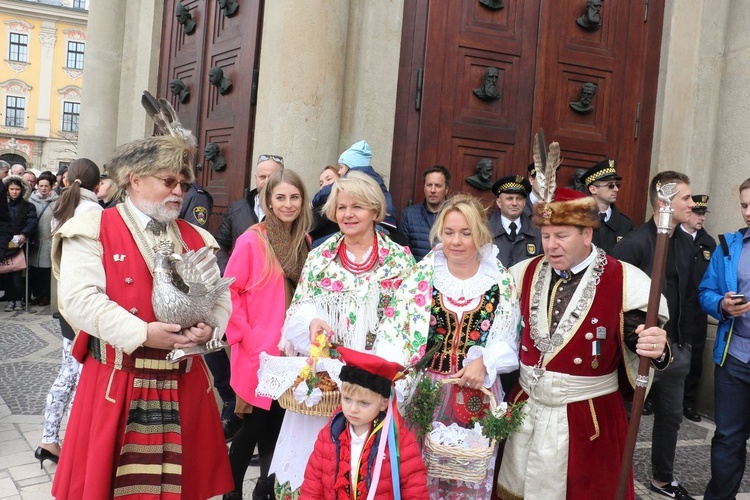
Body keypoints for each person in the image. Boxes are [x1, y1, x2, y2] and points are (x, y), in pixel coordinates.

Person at [49, 125, 233, 499]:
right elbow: (79, 299)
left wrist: (210, 331)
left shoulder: (197, 237)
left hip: (184, 383)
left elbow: (221, 301)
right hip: (118, 382)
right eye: (168, 181)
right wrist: (143, 333)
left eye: (183, 182)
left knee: (185, 489)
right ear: (135, 180)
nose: (179, 191)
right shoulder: (92, 228)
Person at [497, 186, 670, 500]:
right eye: (546, 236)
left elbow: (643, 342)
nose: (550, 246)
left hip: (588, 419)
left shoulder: (624, 281)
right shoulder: (522, 273)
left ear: (587, 233)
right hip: (526, 408)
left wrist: (656, 347)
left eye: (561, 236)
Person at [269, 172, 417, 499]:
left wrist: (371, 371)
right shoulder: (320, 259)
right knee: (315, 474)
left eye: (358, 207)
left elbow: (408, 321)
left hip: (372, 386)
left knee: (365, 475)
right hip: (325, 389)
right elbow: (297, 310)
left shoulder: (399, 260)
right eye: (341, 207)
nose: (347, 214)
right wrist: (311, 323)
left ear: (376, 211)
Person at [388, 193, 519, 498]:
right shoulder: (421, 277)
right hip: (426, 392)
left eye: (466, 232)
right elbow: (398, 332)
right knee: (420, 475)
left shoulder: (500, 280)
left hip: (477, 393)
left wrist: (484, 362)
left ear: (481, 235)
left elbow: (508, 339)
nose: (456, 241)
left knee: (466, 477)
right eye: (449, 232)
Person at [223, 170, 312, 500]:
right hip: (259, 353)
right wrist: (248, 337)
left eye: (294, 197)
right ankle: (232, 493)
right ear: (268, 202)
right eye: (280, 198)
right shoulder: (252, 239)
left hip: (291, 352)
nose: (288, 204)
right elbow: (228, 293)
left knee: (277, 425)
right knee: (254, 426)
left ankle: (266, 489)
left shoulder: (303, 242)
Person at [611, 170, 697, 499]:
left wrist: (683, 344)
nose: (692, 203)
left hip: (674, 351)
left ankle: (662, 479)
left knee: (671, 419)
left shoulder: (685, 242)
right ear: (664, 200)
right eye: (685, 198)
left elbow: (685, 294)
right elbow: (617, 299)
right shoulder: (634, 243)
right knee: (626, 423)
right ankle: (619, 483)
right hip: (639, 356)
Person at [33, 159, 101, 468]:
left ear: (66, 180)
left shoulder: (61, 207)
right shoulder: (95, 213)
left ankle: (49, 438)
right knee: (83, 379)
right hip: (87, 309)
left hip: (67, 307)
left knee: (66, 375)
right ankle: (73, 445)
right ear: (97, 185)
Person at [213, 153, 283, 440]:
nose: (264, 181)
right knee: (248, 404)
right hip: (248, 323)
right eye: (261, 176)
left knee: (271, 412)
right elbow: (221, 245)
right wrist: (227, 271)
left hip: (277, 325)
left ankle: (265, 476)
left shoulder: (297, 225)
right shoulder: (239, 208)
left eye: (271, 176)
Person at [301, 348, 428, 499]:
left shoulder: (400, 441)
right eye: (347, 399)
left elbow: (415, 491)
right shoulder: (328, 436)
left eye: (364, 403)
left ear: (383, 403)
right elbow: (313, 486)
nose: (353, 409)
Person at [699, 178, 750, 500]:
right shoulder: (729, 246)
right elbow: (705, 291)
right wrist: (721, 304)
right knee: (729, 438)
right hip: (735, 358)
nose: (748, 212)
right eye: (744, 205)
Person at [680, 194, 715, 422]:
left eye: (703, 214)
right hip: (675, 307)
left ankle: (688, 402)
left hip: (697, 311)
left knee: (695, 359)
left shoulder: (709, 243)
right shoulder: (672, 238)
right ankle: (652, 397)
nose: (701, 217)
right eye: (697, 213)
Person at [488, 174, 542, 268]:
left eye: (519, 199)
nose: (514, 203)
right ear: (499, 202)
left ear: (524, 202)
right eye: (509, 199)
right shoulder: (484, 230)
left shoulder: (537, 231)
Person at [398, 165, 451, 261]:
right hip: (417, 273)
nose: (433, 190)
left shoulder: (455, 215)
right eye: (429, 185)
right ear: (424, 188)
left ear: (446, 189)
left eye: (438, 185)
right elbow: (402, 251)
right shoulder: (409, 215)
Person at [2, 175, 37, 311]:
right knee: (6, 274)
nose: (15, 192)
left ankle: (18, 299)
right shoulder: (3, 205)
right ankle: (10, 299)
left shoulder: (28, 206)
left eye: (17, 189)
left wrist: (24, 234)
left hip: (21, 244)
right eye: (12, 189)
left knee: (17, 274)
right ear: (7, 190)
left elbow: (32, 221)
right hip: (5, 242)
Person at [584, 158, 633, 254]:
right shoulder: (578, 220)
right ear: (593, 189)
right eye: (610, 185)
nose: (616, 189)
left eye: (616, 185)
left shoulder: (625, 224)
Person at [27, 171, 58, 307]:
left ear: (51, 186)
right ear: (37, 186)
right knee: (35, 271)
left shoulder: (57, 201)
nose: (43, 188)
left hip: (49, 240)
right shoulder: (31, 200)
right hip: (35, 241)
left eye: (46, 186)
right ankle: (38, 295)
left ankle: (46, 296)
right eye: (41, 186)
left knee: (47, 272)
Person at [310, 166, 341, 247]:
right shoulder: (317, 203)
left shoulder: (338, 204)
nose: (324, 185)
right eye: (321, 183)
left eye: (329, 179)